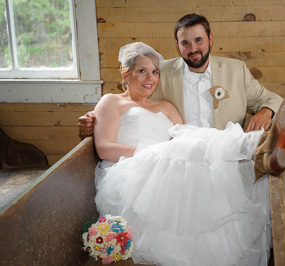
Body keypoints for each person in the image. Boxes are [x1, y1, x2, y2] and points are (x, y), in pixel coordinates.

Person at [94, 42, 271, 265]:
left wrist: (166, 154)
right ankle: (258, 148)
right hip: (133, 171)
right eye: (142, 71)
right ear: (126, 73)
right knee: (187, 156)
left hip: (167, 167)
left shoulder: (165, 106)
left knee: (197, 145)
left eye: (155, 72)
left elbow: (186, 138)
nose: (150, 78)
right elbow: (104, 148)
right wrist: (152, 152)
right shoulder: (112, 101)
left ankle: (259, 148)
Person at [79, 13, 285, 177]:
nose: (193, 48)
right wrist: (95, 119)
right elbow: (133, 98)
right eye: (185, 43)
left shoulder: (236, 70)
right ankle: (273, 150)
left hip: (226, 158)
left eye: (199, 40)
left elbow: (271, 98)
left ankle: (274, 146)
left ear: (210, 39)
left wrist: (265, 112)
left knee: (234, 138)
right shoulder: (160, 71)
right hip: (184, 156)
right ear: (177, 45)